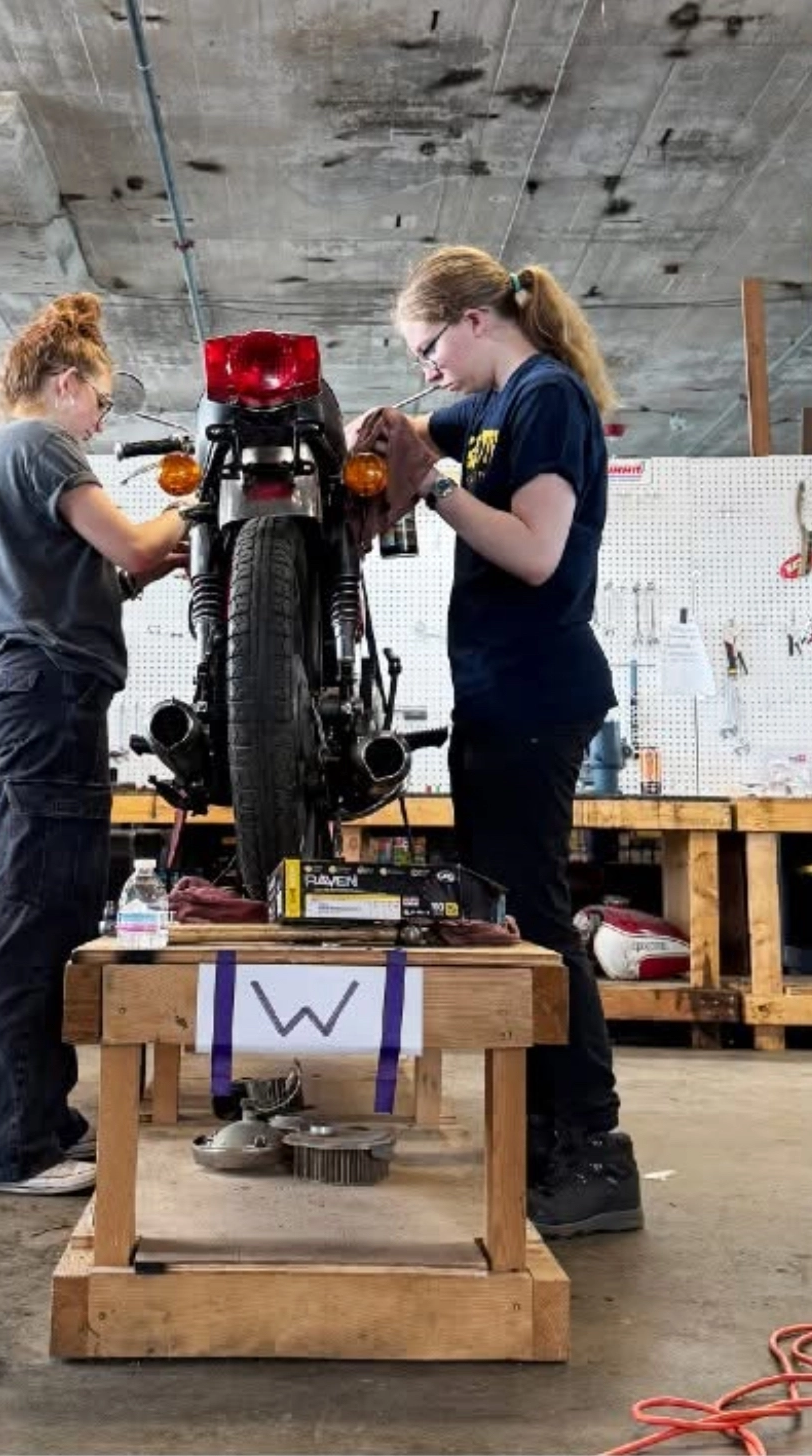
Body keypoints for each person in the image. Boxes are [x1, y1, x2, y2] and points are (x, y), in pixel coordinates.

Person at [353, 245, 642, 1238]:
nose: (425, 364)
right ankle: (538, 1141)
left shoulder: (545, 399)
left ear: (476, 320)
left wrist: (428, 487)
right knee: (504, 922)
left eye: (428, 345)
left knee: (536, 927)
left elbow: (532, 552)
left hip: (534, 694)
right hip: (496, 695)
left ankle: (593, 1154)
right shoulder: (491, 402)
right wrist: (380, 432)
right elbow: (424, 423)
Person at [0, 292, 189, 1195]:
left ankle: (38, 1124)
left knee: (46, 906)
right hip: (45, 692)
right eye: (100, 401)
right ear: (66, 383)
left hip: (36, 688)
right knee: (33, 917)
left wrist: (145, 562)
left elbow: (99, 573)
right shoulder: (39, 443)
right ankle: (3, 1150)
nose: (100, 419)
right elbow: (129, 546)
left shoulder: (0, 459)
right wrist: (192, 505)